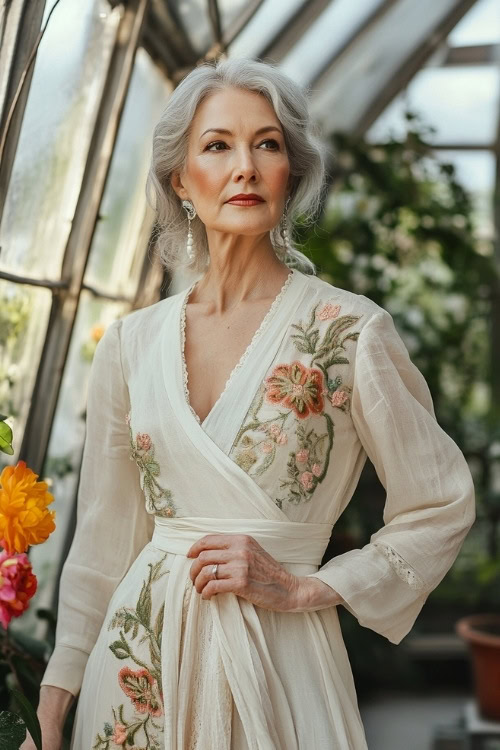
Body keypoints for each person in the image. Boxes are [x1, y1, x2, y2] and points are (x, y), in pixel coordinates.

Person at [29, 56, 475, 749]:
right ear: (181, 179)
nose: (245, 166)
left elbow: (441, 504)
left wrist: (308, 588)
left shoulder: (349, 331)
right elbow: (101, 547)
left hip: (280, 664)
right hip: (136, 677)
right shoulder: (131, 342)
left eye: (266, 144)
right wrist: (52, 712)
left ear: (289, 171)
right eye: (218, 145)